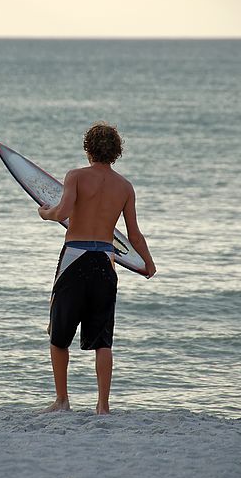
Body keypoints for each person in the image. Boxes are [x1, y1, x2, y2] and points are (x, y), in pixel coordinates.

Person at [38, 122, 156, 414]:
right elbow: (134, 234)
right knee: (103, 339)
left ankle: (62, 401)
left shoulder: (76, 176)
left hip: (75, 257)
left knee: (59, 334)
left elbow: (63, 212)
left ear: (87, 148)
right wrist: (148, 263)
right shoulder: (125, 187)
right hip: (106, 260)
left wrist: (45, 213)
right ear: (116, 152)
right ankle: (103, 407)